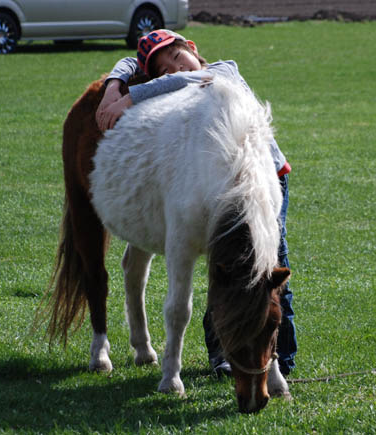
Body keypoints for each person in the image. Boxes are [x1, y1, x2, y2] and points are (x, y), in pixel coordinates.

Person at [96, 29, 297, 378]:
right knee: (224, 270)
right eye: (162, 71)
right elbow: (135, 63)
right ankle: (223, 353)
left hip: (266, 183)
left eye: (176, 58)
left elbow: (194, 76)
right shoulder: (184, 87)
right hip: (217, 183)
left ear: (192, 48)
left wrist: (130, 97)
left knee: (272, 272)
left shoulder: (222, 69)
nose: (173, 71)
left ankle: (278, 357)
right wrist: (116, 80)